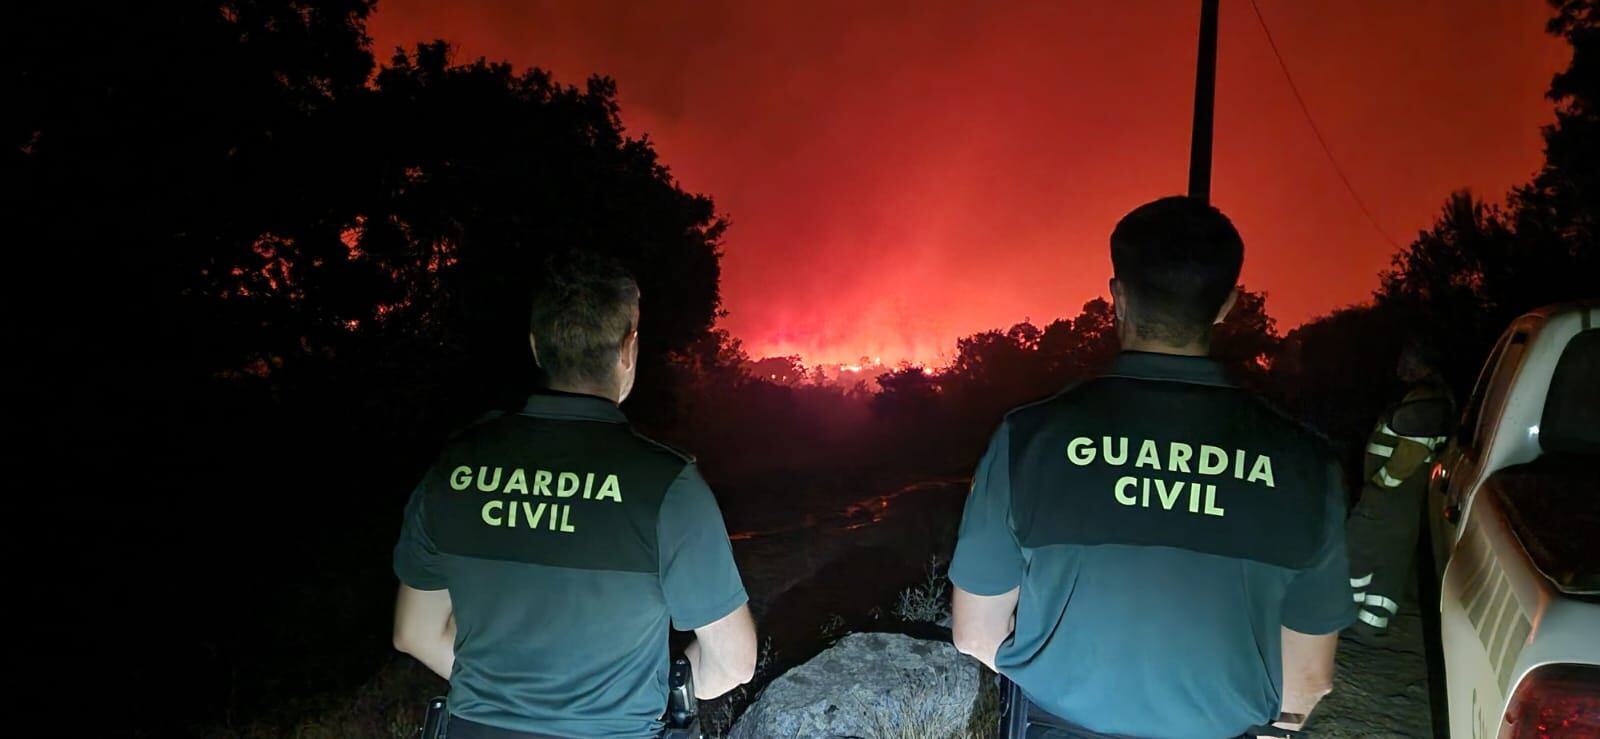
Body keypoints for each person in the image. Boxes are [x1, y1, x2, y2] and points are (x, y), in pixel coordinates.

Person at [950, 197, 1355, 738]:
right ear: (1227, 305)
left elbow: (976, 636)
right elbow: (1307, 683)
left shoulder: (1029, 438)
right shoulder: (1307, 463)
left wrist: (1066, 683)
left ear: (1116, 297)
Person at [391, 255, 757, 739]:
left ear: (536, 346)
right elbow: (733, 663)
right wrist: (652, 693)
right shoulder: (668, 486)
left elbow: (414, 633)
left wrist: (513, 694)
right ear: (628, 350)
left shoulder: (454, 466)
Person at [1346, 340, 1454, 637]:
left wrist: (1380, 485)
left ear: (1420, 362)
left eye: (1406, 358)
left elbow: (1410, 453)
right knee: (1391, 559)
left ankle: (1344, 616)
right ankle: (1371, 624)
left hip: (1388, 497)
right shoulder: (1437, 398)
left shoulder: (1425, 400)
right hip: (1407, 501)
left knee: (1357, 549)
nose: (1400, 364)